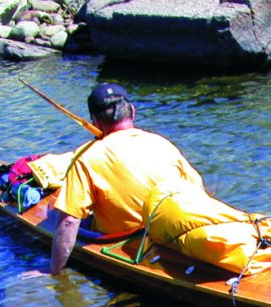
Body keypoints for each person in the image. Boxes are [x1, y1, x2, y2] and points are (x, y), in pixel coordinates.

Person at [45, 82, 205, 275]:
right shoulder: (162, 143)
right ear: (132, 112)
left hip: (123, 238)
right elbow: (198, 191)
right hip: (171, 229)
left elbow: (69, 221)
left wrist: (52, 271)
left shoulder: (86, 158)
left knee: (54, 212)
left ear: (95, 122)